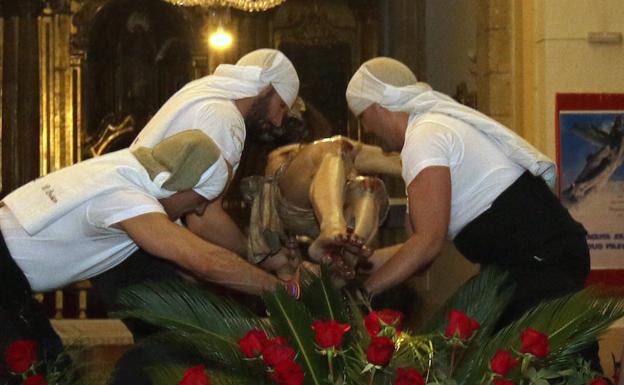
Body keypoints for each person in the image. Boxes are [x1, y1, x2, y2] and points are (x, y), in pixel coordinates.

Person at [0, 49, 300, 376]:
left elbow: (191, 262)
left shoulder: (129, 173)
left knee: (63, 369)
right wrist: (286, 290)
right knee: (44, 373)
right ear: (182, 184)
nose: (199, 211)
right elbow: (206, 261)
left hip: (10, 278)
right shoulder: (128, 197)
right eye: (200, 200)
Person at [345, 57, 591, 330]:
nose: (366, 128)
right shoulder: (427, 132)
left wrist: (363, 295)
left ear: (377, 106)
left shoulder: (425, 137)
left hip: (540, 261)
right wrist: (364, 262)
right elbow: (418, 250)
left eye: (362, 117)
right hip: (532, 259)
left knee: (557, 366)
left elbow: (427, 244)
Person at [244, 135, 402, 281]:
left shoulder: (338, 164)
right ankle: (334, 229)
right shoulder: (288, 156)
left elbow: (390, 161)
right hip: (295, 208)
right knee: (336, 148)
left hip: (328, 215)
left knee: (369, 187)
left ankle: (354, 242)